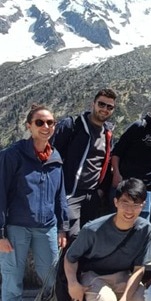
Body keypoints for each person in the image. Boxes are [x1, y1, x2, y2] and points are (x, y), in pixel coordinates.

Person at [0, 104, 68, 301]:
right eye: (40, 122)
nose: (46, 127)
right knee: (13, 281)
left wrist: (63, 227)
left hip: (47, 227)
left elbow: (60, 197)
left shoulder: (55, 159)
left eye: (50, 123)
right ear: (28, 126)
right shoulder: (12, 156)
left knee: (50, 278)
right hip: (16, 228)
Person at [64, 178, 151, 301]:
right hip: (93, 275)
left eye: (136, 204)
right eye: (125, 203)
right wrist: (73, 283)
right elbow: (70, 258)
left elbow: (139, 270)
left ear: (143, 205)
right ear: (115, 202)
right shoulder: (93, 229)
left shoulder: (145, 230)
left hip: (121, 276)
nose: (130, 210)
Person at [52, 88, 117, 239]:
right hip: (70, 194)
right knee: (71, 238)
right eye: (101, 104)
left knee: (87, 240)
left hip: (92, 196)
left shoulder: (107, 133)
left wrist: (101, 190)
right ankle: (62, 264)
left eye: (110, 107)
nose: (105, 109)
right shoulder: (72, 125)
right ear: (93, 104)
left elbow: (106, 164)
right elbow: (52, 155)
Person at [111, 97, 151, 220]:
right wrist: (116, 173)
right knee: (116, 225)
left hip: (145, 190)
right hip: (124, 185)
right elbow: (117, 151)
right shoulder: (139, 126)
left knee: (141, 228)